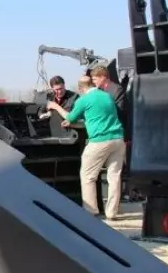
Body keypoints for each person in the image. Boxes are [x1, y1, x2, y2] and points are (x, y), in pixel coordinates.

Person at [47, 76, 126, 220]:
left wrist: (55, 106)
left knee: (87, 176)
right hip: (118, 139)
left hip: (99, 141)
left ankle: (91, 212)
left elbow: (70, 117)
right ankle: (111, 213)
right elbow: (91, 120)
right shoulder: (107, 96)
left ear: (81, 88)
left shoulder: (83, 100)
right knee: (114, 177)